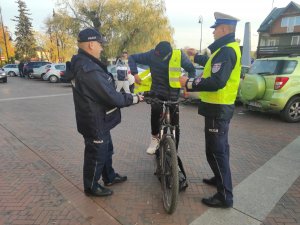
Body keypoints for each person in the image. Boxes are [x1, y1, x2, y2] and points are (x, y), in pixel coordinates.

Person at [68, 28, 143, 197]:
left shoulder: (84, 63)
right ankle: (91, 186)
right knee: (97, 153)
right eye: (100, 44)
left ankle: (109, 176)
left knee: (106, 149)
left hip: (99, 118)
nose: (102, 48)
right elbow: (112, 97)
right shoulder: (89, 69)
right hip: (94, 121)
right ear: (90, 44)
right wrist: (134, 98)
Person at [180, 12, 241, 208]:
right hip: (220, 107)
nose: (213, 32)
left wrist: (188, 82)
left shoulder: (226, 51)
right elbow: (212, 67)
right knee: (221, 149)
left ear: (224, 29)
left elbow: (216, 80)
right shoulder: (226, 49)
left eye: (215, 28)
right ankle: (218, 178)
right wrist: (195, 56)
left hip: (218, 108)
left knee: (215, 152)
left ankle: (225, 196)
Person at [129, 41, 195, 154]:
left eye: (159, 54)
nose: (156, 55)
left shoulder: (178, 55)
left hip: (173, 93)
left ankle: (175, 153)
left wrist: (187, 87)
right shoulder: (152, 54)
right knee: (155, 111)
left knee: (175, 124)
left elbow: (191, 69)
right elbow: (132, 58)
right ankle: (154, 139)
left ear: (168, 54)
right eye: (156, 52)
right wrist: (135, 74)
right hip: (157, 91)